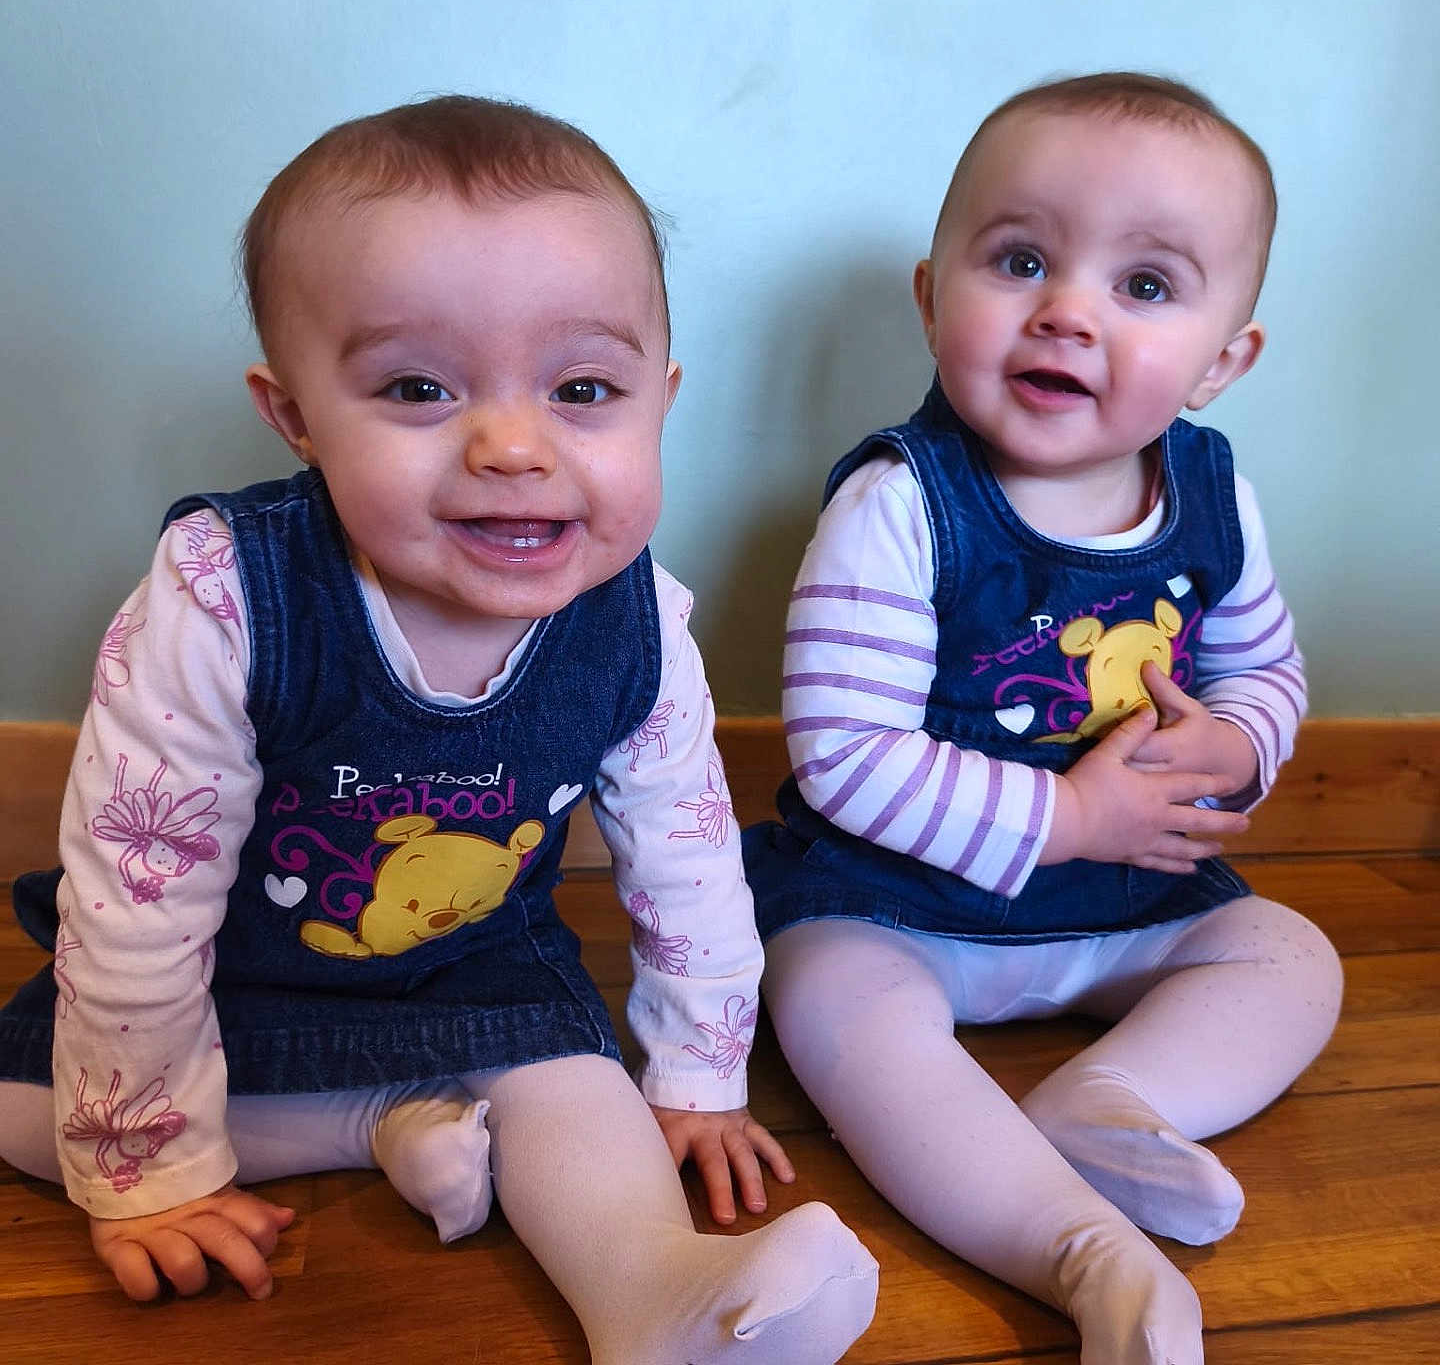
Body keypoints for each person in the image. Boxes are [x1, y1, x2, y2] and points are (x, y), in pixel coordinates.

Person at [0, 96, 878, 1365]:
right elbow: (142, 903)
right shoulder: (226, 594)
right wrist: (154, 1167)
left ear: (660, 399)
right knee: (38, 1107)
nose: (513, 446)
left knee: (581, 1096)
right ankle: (377, 1122)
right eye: (419, 388)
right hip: (224, 978)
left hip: (479, 973)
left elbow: (690, 862)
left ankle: (657, 1298)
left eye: (585, 389)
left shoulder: (635, 620)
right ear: (296, 414)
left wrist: (695, 1074)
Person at [742, 72, 1343, 1365]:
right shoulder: (902, 508)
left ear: (1223, 360)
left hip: (1125, 911)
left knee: (1291, 955)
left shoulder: (1213, 499)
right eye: (1020, 261)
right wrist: (1071, 811)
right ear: (932, 297)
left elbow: (1268, 675)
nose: (1067, 311)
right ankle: (1074, 1248)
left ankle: (1112, 1100)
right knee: (829, 997)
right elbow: (843, 758)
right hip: (899, 909)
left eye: (1144, 287)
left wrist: (1237, 743)